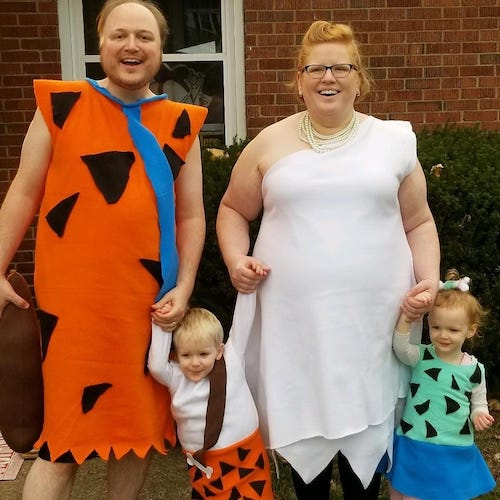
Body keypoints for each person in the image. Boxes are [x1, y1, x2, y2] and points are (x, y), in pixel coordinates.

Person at [216, 20, 440, 500]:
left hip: (374, 325)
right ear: (298, 80)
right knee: (307, 445)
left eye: (342, 66)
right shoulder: (268, 143)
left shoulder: (394, 141)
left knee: (367, 455)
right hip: (295, 326)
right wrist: (237, 258)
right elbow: (234, 210)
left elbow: (418, 222)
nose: (328, 77)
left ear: (360, 78)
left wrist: (430, 279)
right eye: (315, 68)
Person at [0, 1, 207, 498]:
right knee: (63, 442)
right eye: (120, 35)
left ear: (161, 48)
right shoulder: (62, 105)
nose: (132, 46)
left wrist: (184, 286)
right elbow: (24, 193)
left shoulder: (181, 122)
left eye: (145, 36)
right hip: (72, 306)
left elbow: (191, 215)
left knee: (135, 437)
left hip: (147, 303)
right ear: (101, 43)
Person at [148, 299, 274, 499]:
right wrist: (164, 321)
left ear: (219, 350)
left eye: (204, 354)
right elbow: (156, 366)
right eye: (186, 355)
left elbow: (242, 322)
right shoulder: (176, 376)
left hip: (247, 458)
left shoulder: (231, 359)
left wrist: (247, 288)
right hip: (206, 466)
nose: (195, 362)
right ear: (176, 355)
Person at [387, 269, 496, 500]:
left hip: (453, 444)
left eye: (453, 330)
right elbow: (400, 348)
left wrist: (479, 413)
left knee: (448, 493)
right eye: (436, 327)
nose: (443, 335)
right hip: (415, 438)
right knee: (409, 492)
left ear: (471, 330)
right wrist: (406, 318)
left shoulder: (474, 369)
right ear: (429, 323)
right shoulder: (422, 356)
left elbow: (479, 401)